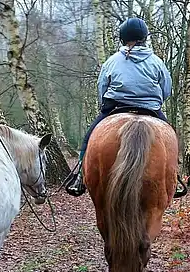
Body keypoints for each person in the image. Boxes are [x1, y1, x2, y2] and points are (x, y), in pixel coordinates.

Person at [66, 17, 172, 197]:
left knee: (89, 137)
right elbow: (166, 88)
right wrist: (155, 101)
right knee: (170, 139)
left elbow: (102, 86)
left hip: (115, 107)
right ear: (144, 37)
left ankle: (79, 176)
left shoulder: (112, 61)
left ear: (123, 38)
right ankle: (173, 178)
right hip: (151, 110)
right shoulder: (157, 61)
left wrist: (104, 107)